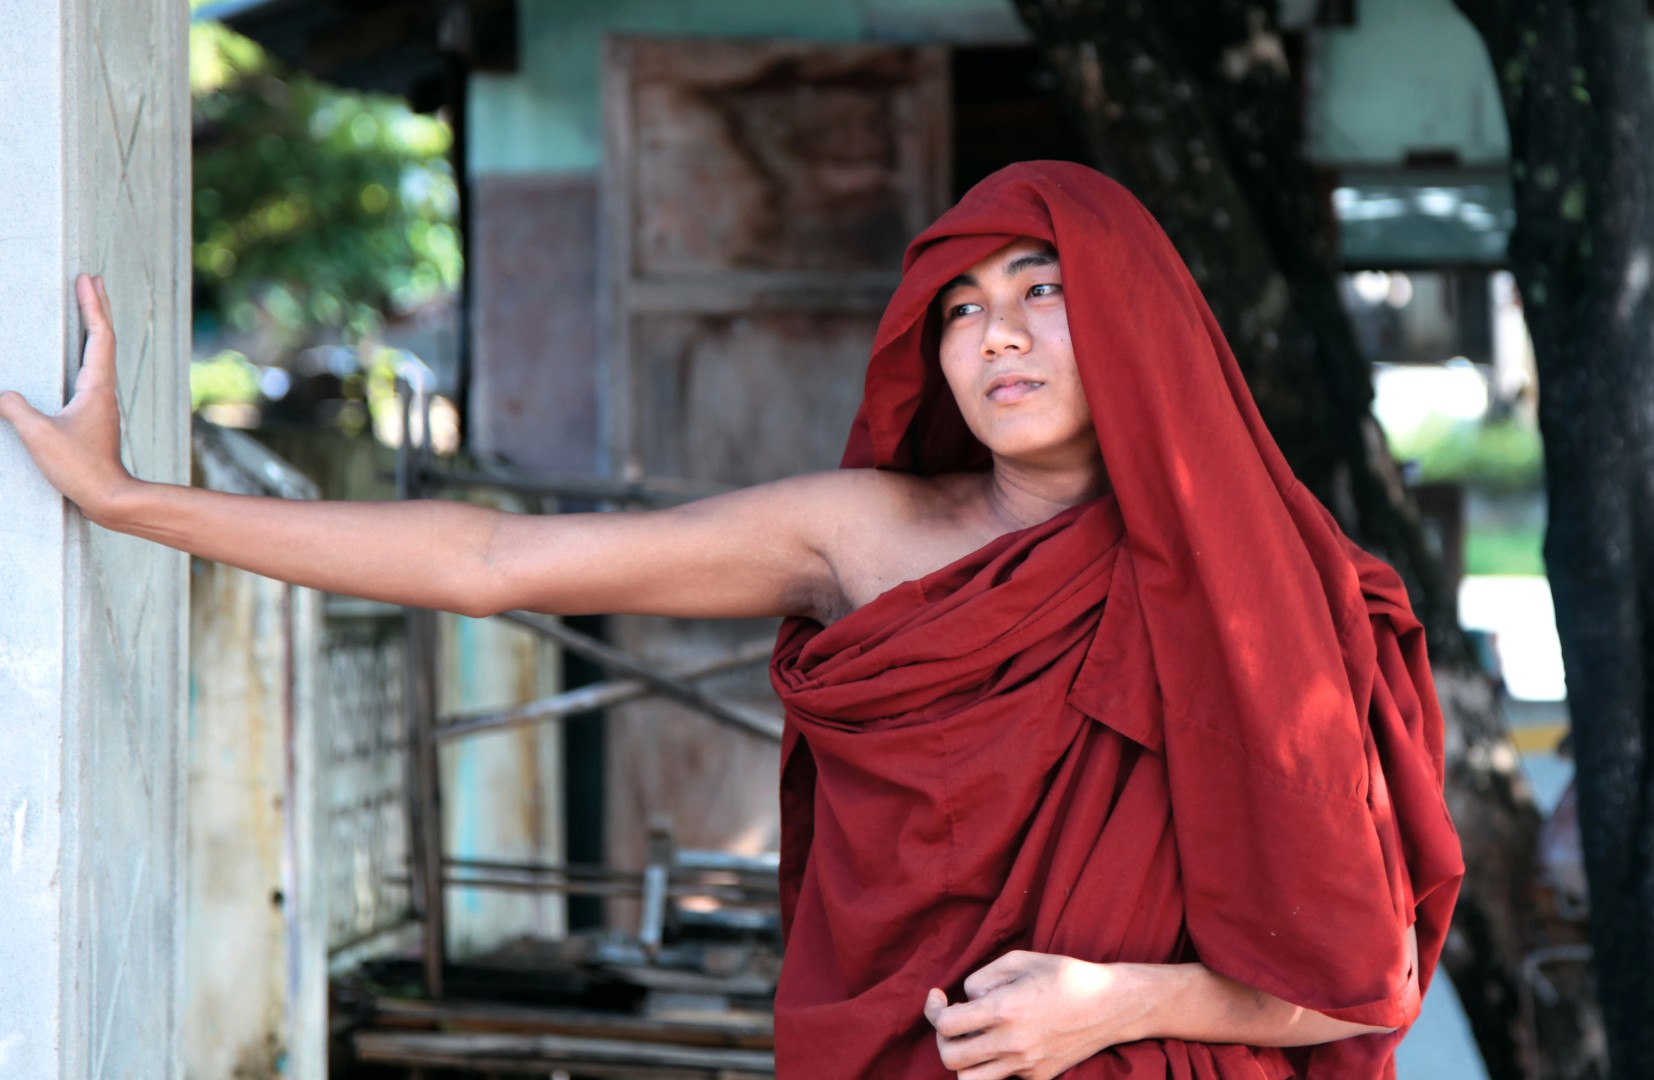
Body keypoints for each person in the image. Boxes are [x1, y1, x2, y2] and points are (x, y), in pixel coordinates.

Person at [1, 161, 1461, 1079]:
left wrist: (1113, 1003)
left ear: (1139, 316)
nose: (998, 332)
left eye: (1041, 286)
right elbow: (495, 559)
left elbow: (1359, 989)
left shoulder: (1278, 600)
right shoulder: (862, 535)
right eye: (958, 306)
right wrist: (131, 502)